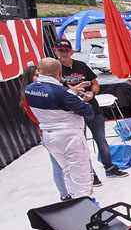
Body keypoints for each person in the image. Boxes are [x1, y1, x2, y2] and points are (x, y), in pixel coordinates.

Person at [53, 39, 127, 181]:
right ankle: (90, 174)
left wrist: (92, 93)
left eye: (66, 51)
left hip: (92, 107)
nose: (64, 53)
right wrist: (73, 92)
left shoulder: (81, 65)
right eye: (60, 51)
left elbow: (95, 83)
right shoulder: (55, 69)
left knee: (101, 139)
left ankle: (109, 167)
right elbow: (55, 91)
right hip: (73, 113)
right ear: (55, 51)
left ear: (71, 51)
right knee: (81, 145)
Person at [23, 58, 95, 199]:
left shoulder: (29, 90)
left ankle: (74, 200)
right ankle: (88, 205)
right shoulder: (64, 93)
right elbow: (88, 111)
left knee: (67, 171)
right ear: (60, 73)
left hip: (48, 136)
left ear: (40, 71)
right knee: (82, 174)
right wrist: (76, 96)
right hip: (69, 137)